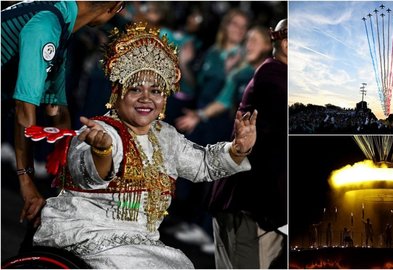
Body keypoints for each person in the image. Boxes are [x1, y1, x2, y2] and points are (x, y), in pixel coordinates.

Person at [32, 22, 257, 269]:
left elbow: (202, 164)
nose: (146, 98)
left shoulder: (166, 137)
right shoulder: (99, 131)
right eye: (135, 89)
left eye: (156, 91)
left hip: (141, 243)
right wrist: (102, 150)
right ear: (117, 94)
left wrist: (237, 149)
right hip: (87, 233)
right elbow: (88, 174)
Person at [1, 0, 125, 229]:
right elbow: (24, 110)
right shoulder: (47, 25)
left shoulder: (59, 23)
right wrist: (27, 183)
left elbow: (56, 110)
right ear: (116, 7)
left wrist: (66, 180)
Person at [209, 18, 287, 269]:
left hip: (262, 205)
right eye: (287, 35)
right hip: (248, 203)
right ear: (274, 38)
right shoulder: (271, 72)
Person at [175, 25, 273, 133]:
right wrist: (200, 115)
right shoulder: (238, 74)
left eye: (254, 40)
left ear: (267, 46)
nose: (249, 45)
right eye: (247, 40)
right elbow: (224, 101)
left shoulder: (273, 74)